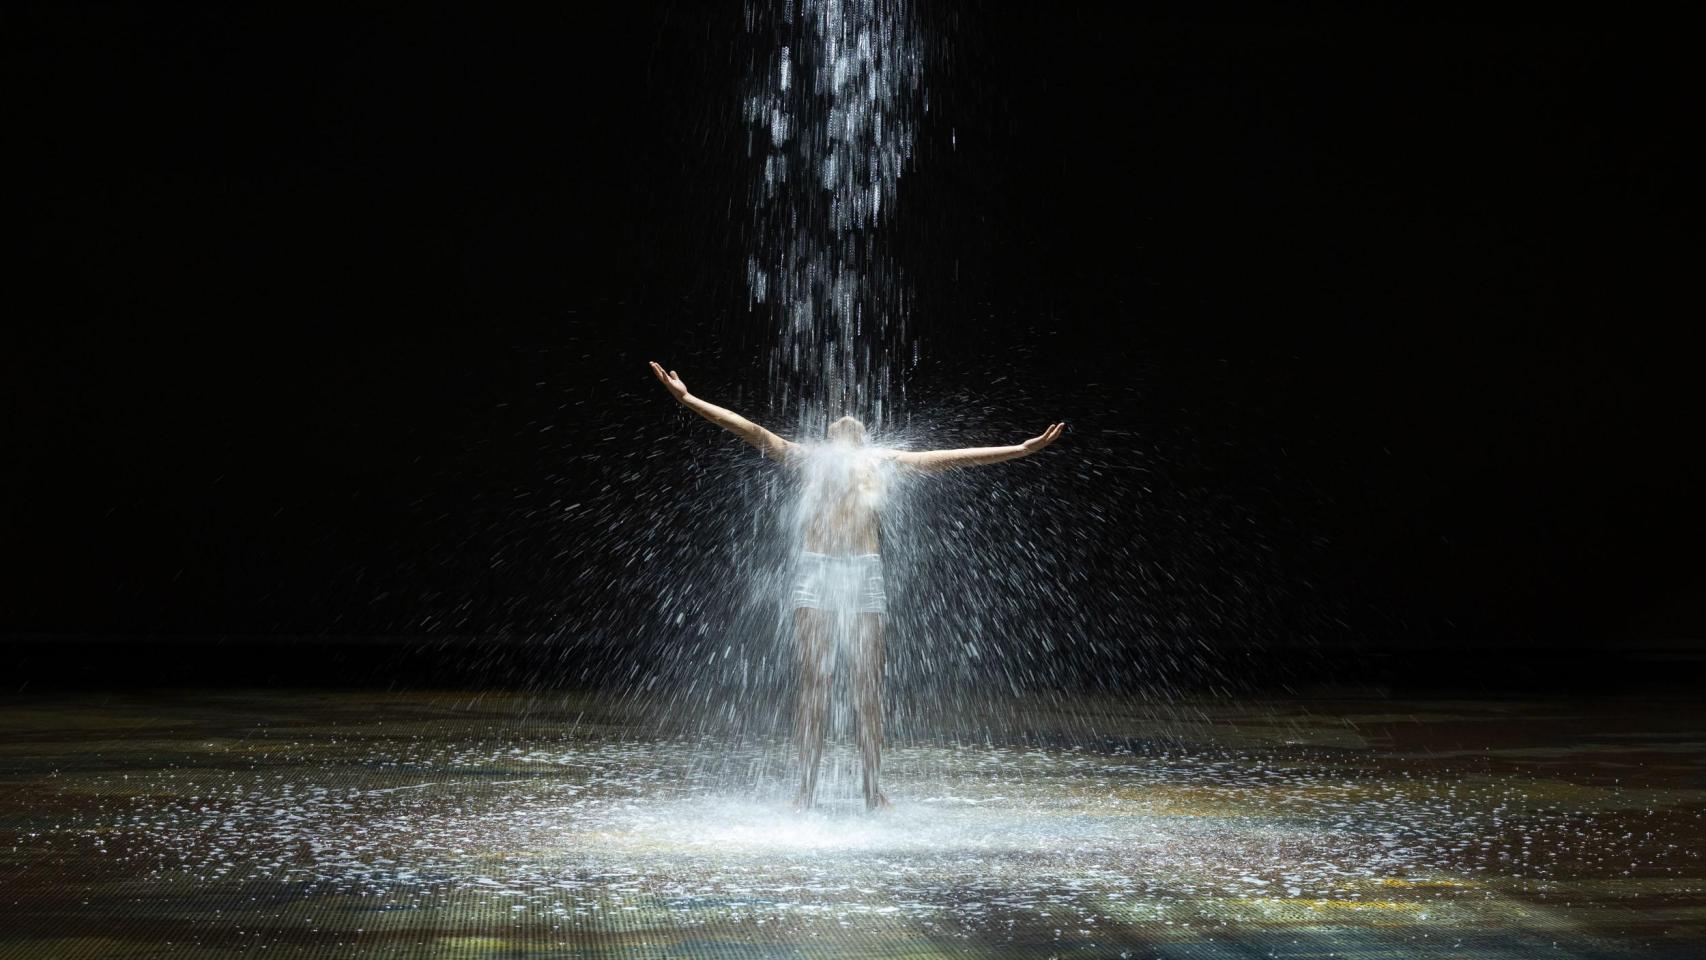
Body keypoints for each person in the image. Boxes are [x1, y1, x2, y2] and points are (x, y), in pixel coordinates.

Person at [649, 361, 1064, 810]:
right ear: (828, 436)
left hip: (863, 570)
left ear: (863, 436)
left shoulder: (881, 461)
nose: (845, 421)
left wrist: (1020, 449)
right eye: (837, 423)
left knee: (868, 685)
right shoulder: (809, 456)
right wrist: (689, 400)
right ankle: (804, 791)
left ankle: (872, 789)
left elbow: (952, 458)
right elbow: (752, 430)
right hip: (817, 568)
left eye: (853, 423)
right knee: (815, 683)